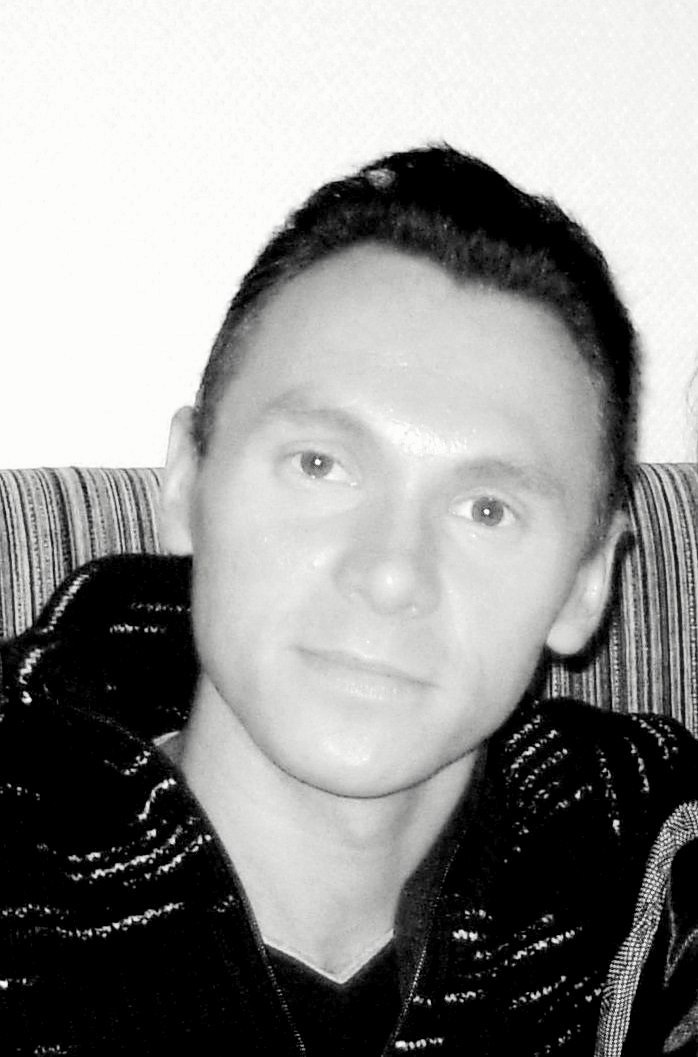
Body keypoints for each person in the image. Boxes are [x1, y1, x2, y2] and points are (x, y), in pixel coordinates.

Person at [2, 144, 698, 1055]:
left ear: (585, 582)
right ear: (187, 482)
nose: (391, 570)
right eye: (320, 464)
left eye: (487, 509)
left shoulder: (646, 862)